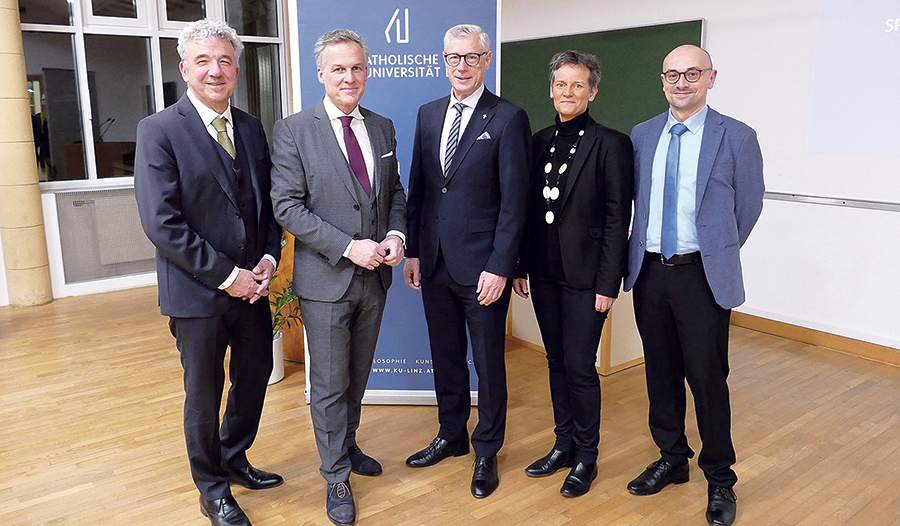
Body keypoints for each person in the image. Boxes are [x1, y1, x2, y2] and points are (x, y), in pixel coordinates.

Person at [134, 19, 283, 526]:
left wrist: (266, 260)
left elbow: (266, 207)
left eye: (224, 60)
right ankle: (212, 488)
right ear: (184, 69)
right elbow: (163, 224)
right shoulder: (158, 131)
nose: (215, 70)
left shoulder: (251, 127)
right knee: (203, 393)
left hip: (254, 291)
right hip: (198, 294)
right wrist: (227, 276)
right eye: (203, 61)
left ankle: (234, 456)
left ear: (237, 69)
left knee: (254, 378)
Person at [269, 29, 407, 526]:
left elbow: (395, 193)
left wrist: (396, 236)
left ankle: (346, 448)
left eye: (357, 68)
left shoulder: (384, 127)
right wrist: (350, 247)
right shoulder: (293, 130)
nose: (349, 78)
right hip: (326, 279)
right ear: (322, 74)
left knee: (357, 376)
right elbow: (286, 205)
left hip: (376, 281)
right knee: (327, 385)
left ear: (366, 72)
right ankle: (334, 478)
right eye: (339, 69)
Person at [623, 44, 764, 526]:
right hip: (649, 271)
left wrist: (716, 250)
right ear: (662, 80)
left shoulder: (737, 137)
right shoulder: (642, 135)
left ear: (711, 78)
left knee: (706, 378)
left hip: (702, 274)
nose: (681, 83)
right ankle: (671, 458)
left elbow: (748, 208)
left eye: (692, 74)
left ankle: (720, 479)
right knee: (659, 372)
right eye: (672, 75)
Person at [403, 23, 531, 500]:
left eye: (470, 57)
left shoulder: (508, 118)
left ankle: (486, 449)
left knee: (488, 362)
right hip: (434, 262)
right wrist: (414, 251)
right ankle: (452, 435)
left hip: (483, 269)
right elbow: (420, 189)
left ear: (486, 60)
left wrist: (501, 265)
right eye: (453, 57)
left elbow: (515, 202)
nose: (461, 65)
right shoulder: (428, 113)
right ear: (443, 61)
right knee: (446, 356)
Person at [512, 50, 633, 498]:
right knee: (556, 360)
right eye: (561, 84)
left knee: (580, 366)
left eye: (577, 84)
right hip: (543, 274)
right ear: (551, 89)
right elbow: (526, 210)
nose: (568, 92)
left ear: (593, 91)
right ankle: (562, 444)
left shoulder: (611, 143)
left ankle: (587, 456)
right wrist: (521, 265)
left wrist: (608, 284)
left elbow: (619, 218)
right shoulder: (538, 140)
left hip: (587, 280)